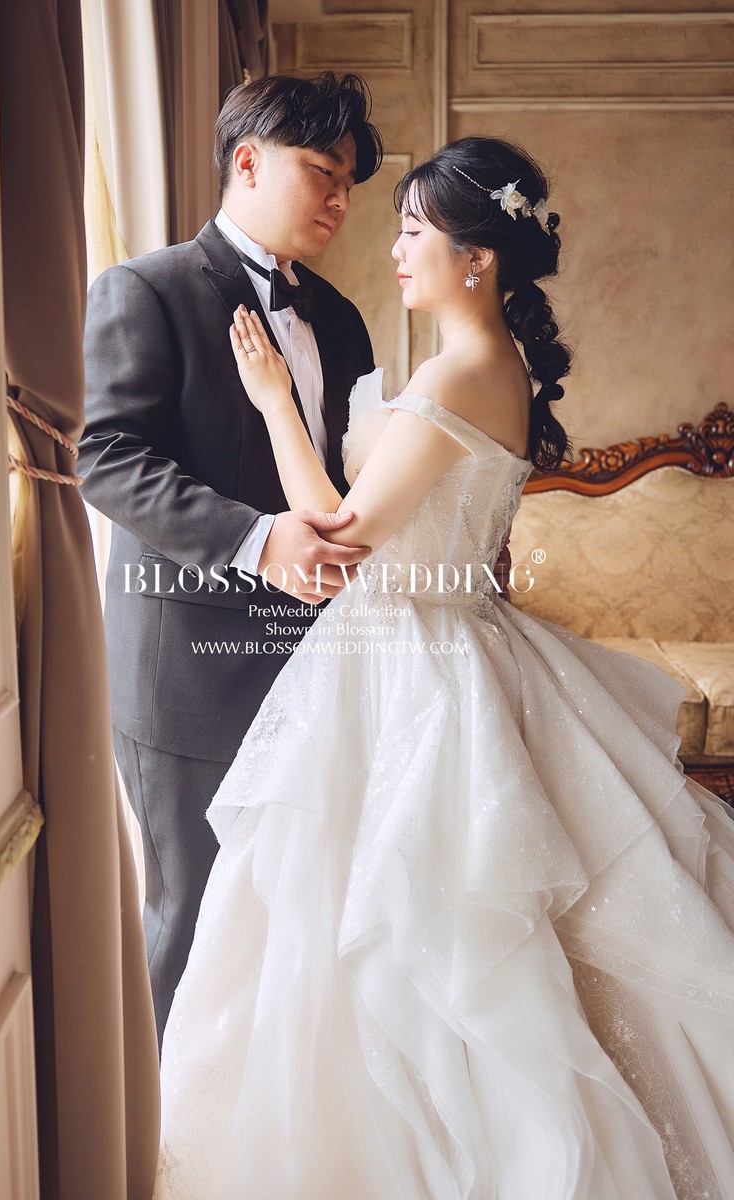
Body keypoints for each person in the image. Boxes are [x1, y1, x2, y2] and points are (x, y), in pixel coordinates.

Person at [155, 135, 734, 1199]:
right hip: (438, 640)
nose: (395, 249)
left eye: (413, 229)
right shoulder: (492, 364)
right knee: (401, 918)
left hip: (410, 658)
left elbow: (340, 538)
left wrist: (275, 400)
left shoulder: (457, 372)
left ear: (477, 257)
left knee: (408, 924)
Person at [78, 73, 384, 1050]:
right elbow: (106, 461)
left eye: (349, 182)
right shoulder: (144, 290)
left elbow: (344, 475)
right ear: (246, 162)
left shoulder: (341, 318)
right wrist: (257, 540)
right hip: (188, 679)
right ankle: (159, 1128)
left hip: (320, 669)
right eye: (323, 172)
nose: (340, 198)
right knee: (193, 923)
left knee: (298, 919)